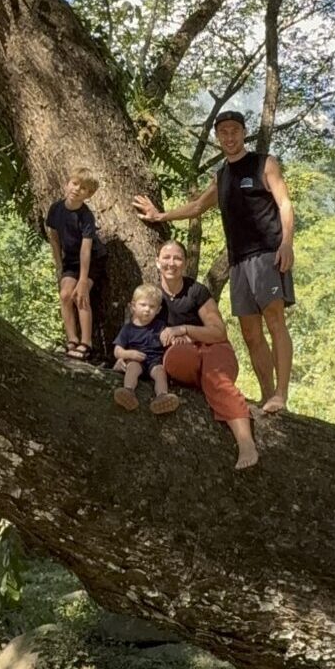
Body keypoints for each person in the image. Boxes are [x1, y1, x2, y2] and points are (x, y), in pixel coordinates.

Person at [133, 110, 296, 413]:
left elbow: (285, 203)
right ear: (218, 137)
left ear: (243, 133)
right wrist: (160, 215)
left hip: (267, 254)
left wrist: (287, 243)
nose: (230, 137)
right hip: (238, 263)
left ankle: (282, 396)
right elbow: (196, 206)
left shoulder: (264, 164)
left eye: (235, 130)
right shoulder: (222, 177)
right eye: (223, 132)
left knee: (275, 322)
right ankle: (267, 396)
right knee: (250, 333)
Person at [152, 239, 261, 470]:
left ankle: (245, 443)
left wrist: (184, 330)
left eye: (177, 258)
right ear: (157, 262)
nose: (171, 263)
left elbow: (218, 332)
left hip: (214, 350)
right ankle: (205, 378)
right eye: (166, 258)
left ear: (185, 263)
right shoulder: (151, 296)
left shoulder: (196, 291)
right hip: (184, 358)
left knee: (216, 376)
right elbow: (137, 332)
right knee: (179, 355)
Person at [46, 167, 106, 360]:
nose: (77, 190)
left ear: (89, 195)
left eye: (84, 188)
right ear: (67, 183)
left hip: (92, 260)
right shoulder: (56, 209)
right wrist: (59, 265)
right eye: (75, 184)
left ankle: (86, 342)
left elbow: (86, 249)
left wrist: (82, 280)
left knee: (80, 295)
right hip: (70, 259)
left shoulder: (86, 216)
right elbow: (54, 237)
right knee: (65, 295)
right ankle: (71, 339)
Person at [111, 284, 181, 415]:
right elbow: (117, 350)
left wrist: (174, 340)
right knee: (132, 368)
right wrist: (128, 353)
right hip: (136, 360)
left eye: (152, 306)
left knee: (160, 372)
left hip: (155, 361)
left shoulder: (160, 326)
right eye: (143, 305)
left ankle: (162, 396)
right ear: (133, 306)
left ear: (159, 310)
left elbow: (168, 339)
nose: (147, 309)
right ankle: (128, 391)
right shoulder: (128, 329)